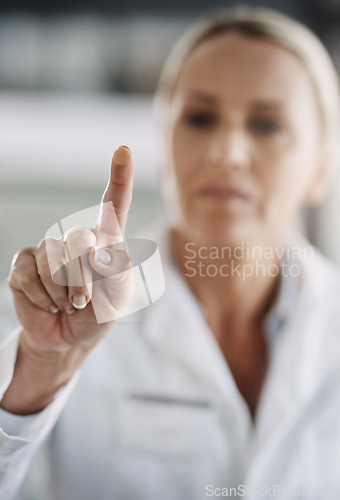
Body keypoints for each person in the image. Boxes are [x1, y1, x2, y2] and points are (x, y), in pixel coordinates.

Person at [1, 6, 340, 500]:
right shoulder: (61, 312)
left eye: (268, 125)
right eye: (200, 118)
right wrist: (42, 368)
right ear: (163, 142)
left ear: (321, 169)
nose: (226, 151)